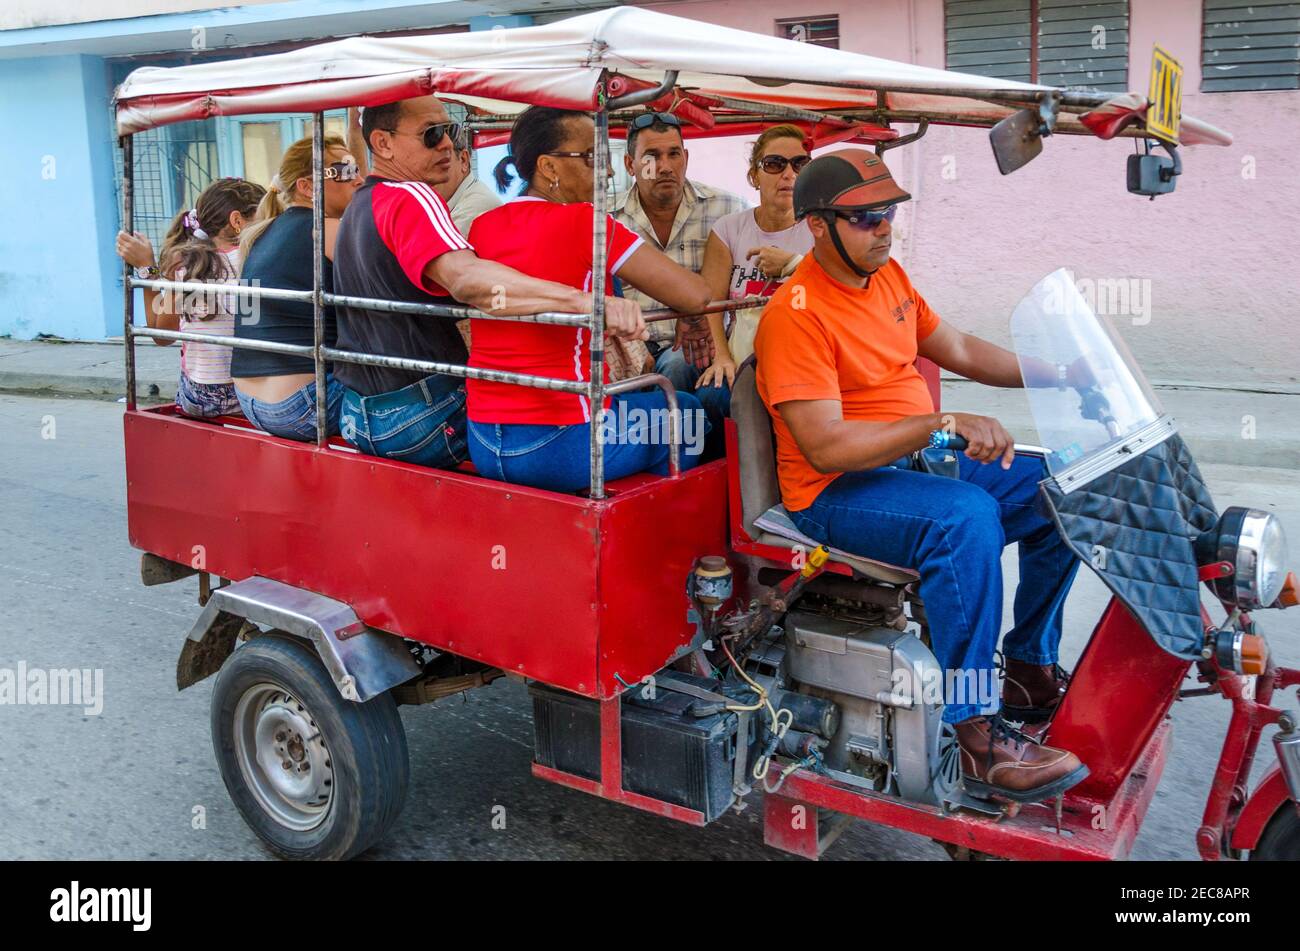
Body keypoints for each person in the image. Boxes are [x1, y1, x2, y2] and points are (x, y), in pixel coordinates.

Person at [753, 149, 1087, 804]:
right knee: (964, 518)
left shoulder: (887, 278)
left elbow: (956, 347)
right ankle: (976, 731)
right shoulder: (796, 315)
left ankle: (1027, 665)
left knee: (1064, 484)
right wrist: (941, 421)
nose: (884, 228)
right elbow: (825, 446)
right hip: (836, 491)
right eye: (865, 217)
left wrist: (1057, 372)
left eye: (888, 213)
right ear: (818, 225)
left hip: (910, 462)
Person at [332, 94, 629, 469]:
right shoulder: (412, 195)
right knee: (665, 415)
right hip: (421, 417)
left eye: (451, 131)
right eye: (431, 133)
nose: (446, 144)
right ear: (383, 143)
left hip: (359, 417)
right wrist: (584, 301)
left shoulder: (361, 202)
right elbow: (467, 280)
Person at [465, 106, 713, 492]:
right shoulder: (586, 223)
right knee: (687, 411)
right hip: (563, 441)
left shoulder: (481, 226)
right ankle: (660, 519)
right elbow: (694, 294)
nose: (608, 171)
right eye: (593, 158)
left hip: (483, 440)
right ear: (549, 167)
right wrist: (689, 312)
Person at [614, 112, 745, 429]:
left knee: (681, 368)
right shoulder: (605, 217)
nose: (665, 166)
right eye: (651, 156)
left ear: (686, 158)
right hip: (630, 350)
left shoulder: (727, 209)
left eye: (673, 154)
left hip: (705, 347)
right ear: (630, 164)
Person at [232, 134, 362, 440]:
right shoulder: (327, 229)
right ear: (307, 186)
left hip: (249, 400)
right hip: (302, 405)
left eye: (356, 169)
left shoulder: (262, 232)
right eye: (344, 171)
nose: (358, 179)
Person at [115, 178, 265, 418]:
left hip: (199, 397)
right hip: (247, 393)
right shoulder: (255, 258)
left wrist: (147, 268)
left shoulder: (186, 263)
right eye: (264, 219)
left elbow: (162, 336)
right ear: (237, 221)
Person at [695, 124, 815, 414]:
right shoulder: (730, 229)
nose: (789, 174)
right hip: (743, 358)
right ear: (754, 175)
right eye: (774, 164)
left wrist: (793, 264)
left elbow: (838, 291)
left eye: (799, 164)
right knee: (709, 396)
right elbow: (712, 304)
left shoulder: (821, 228)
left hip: (802, 360)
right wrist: (722, 356)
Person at [433, 129, 502, 237]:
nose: (427, 175)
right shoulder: (454, 202)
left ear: (463, 160)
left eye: (440, 164)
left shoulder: (475, 208)